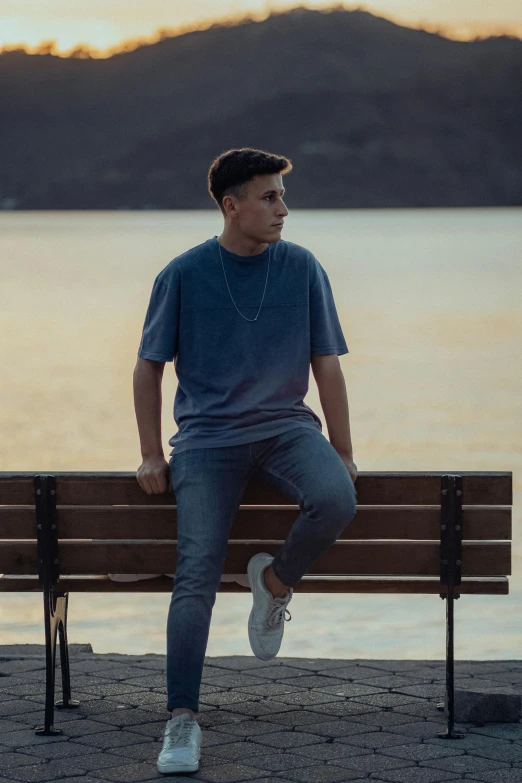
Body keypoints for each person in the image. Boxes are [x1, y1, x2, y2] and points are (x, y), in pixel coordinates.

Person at [133, 147, 358, 775]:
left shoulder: (303, 267)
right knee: (196, 573)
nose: (283, 209)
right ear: (232, 206)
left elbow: (327, 366)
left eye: (283, 196)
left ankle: (275, 582)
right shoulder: (183, 274)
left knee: (338, 497)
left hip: (287, 430)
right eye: (269, 197)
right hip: (206, 442)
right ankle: (181, 721)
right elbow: (148, 368)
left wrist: (341, 450)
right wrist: (152, 452)